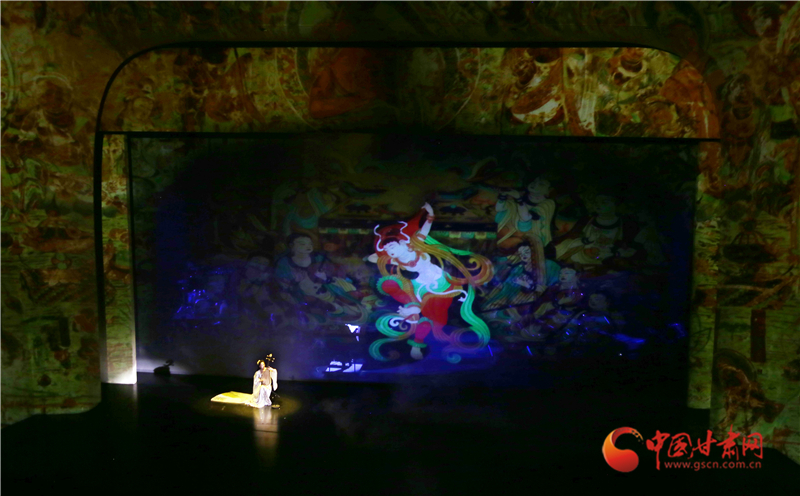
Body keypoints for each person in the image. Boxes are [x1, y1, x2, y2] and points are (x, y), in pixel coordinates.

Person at [367, 203, 493, 360]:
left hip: (441, 281)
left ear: (403, 243)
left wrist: (430, 213)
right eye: (388, 250)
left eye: (392, 246)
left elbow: (425, 230)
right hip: (420, 286)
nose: (390, 250)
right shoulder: (395, 261)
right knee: (425, 314)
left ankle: (435, 338)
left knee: (439, 317)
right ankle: (417, 338)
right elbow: (373, 258)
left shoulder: (417, 246)